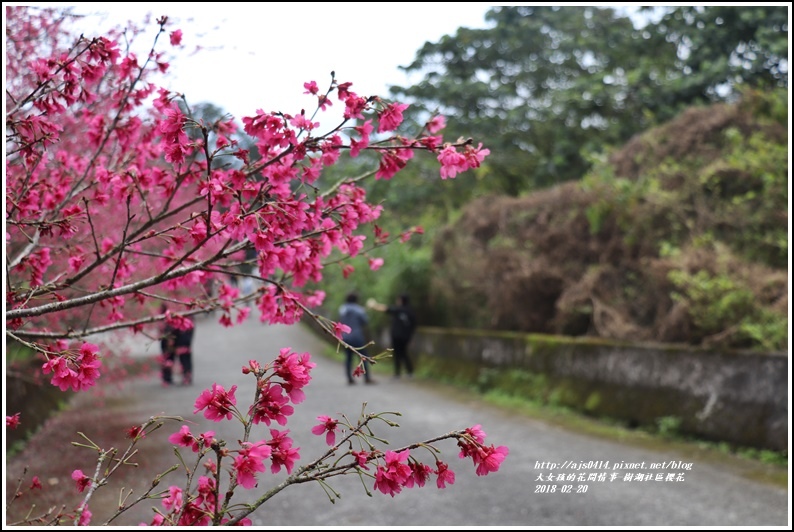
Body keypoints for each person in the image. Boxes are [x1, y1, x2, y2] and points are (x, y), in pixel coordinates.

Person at [368, 293, 417, 379]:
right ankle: (409, 372)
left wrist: (374, 305)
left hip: (397, 336)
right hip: (405, 337)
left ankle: (398, 373)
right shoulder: (411, 312)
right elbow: (413, 326)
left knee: (398, 354)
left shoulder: (398, 309)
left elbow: (384, 308)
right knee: (403, 353)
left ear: (401, 300)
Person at [338, 292, 375, 385]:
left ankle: (349, 378)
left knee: (348, 358)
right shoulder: (359, 310)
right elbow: (365, 321)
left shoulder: (343, 308)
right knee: (363, 357)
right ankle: (367, 378)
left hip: (345, 336)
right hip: (357, 336)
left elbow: (340, 320)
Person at [159, 305, 195, 386]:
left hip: (183, 333)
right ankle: (167, 378)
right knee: (168, 356)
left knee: (184, 354)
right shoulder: (165, 301)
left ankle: (187, 375)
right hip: (168, 332)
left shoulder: (185, 302)